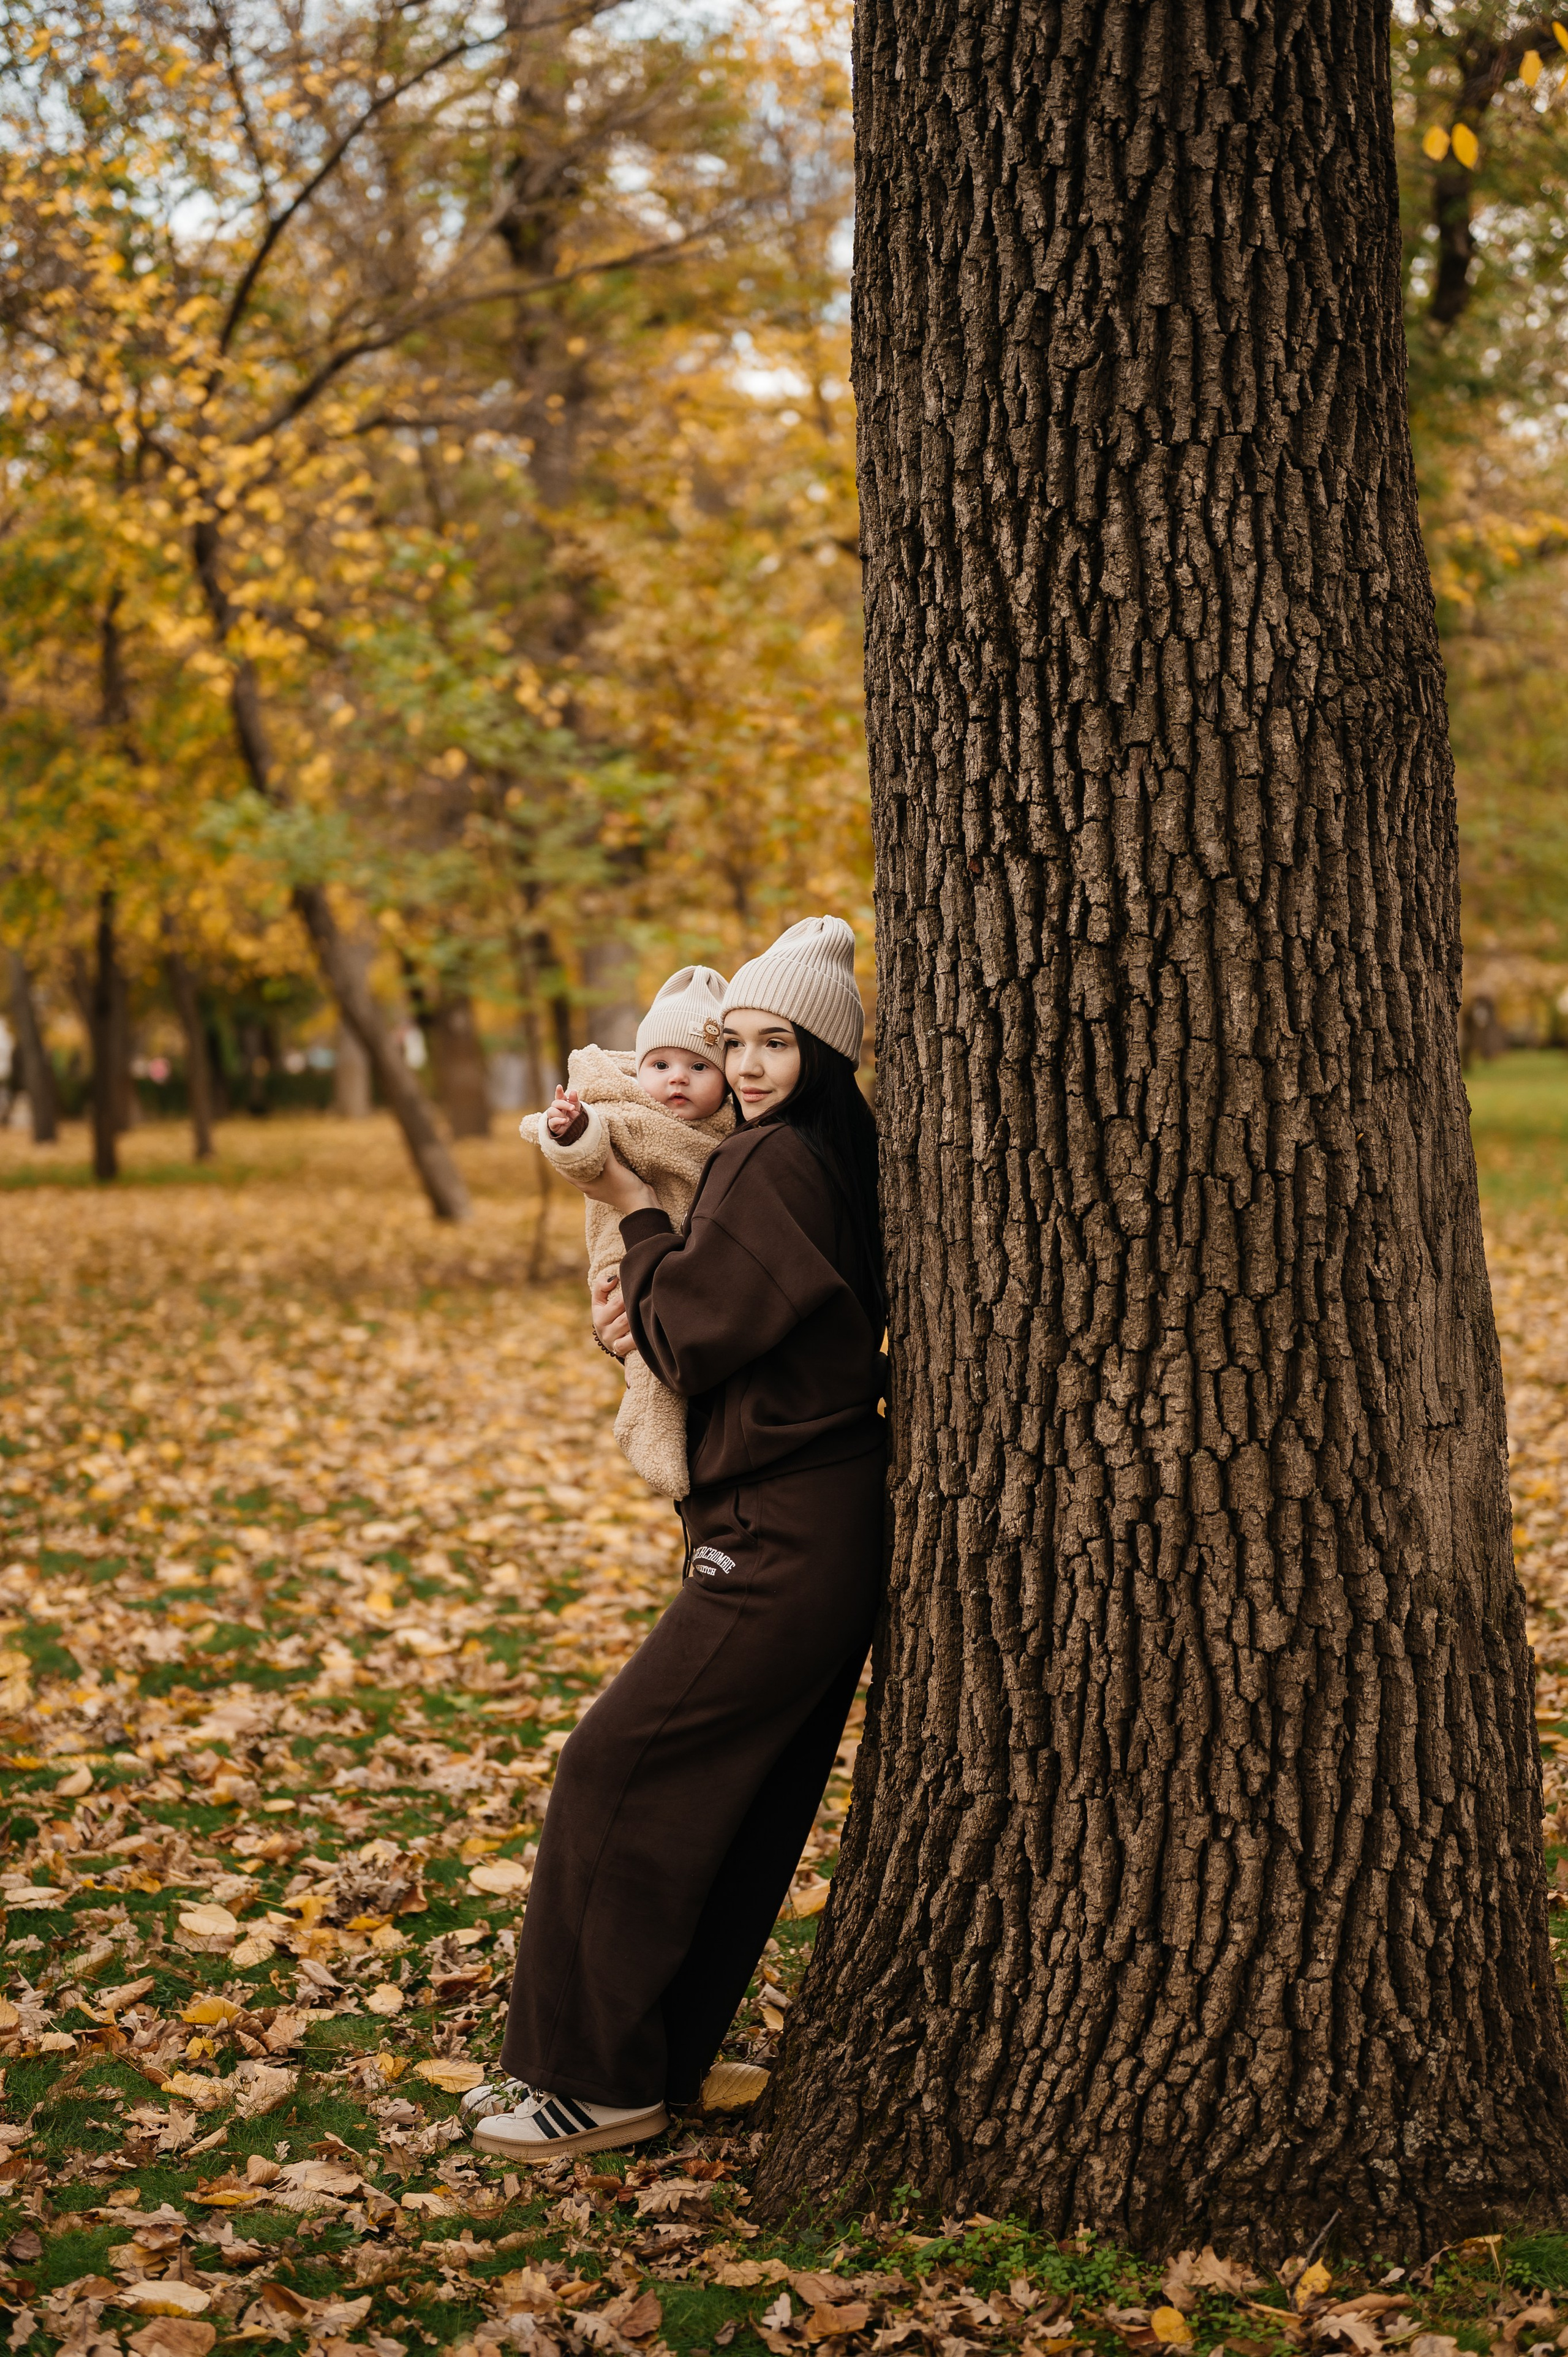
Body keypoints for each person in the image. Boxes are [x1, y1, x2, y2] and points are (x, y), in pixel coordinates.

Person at [465, 916, 887, 2160]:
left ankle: (588, 2083)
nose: (748, 1068)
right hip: (815, 1518)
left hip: (776, 1532)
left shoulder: (771, 1166)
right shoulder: (826, 1157)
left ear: (825, 1054)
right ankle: (657, 2063)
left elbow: (693, 1332)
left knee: (615, 1770)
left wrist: (628, 1211)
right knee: (737, 1804)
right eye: (735, 1042)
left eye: (777, 1043)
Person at [519, 965, 733, 1496]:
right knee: (641, 1350)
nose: (676, 1078)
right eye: (660, 1064)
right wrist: (567, 1129)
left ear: (727, 1079)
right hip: (623, 1255)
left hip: (689, 1270)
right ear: (638, 1069)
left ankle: (659, 1432)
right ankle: (648, 1428)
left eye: (698, 1066)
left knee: (662, 1343)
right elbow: (587, 1156)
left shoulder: (734, 1132)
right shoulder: (622, 1112)